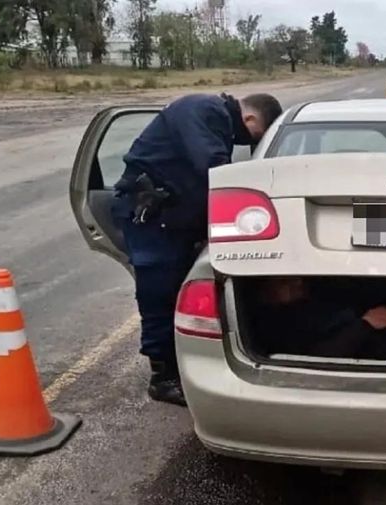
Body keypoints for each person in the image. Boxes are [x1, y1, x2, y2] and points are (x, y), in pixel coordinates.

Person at [112, 92, 283, 406]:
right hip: (152, 219)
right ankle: (162, 378)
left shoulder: (214, 119)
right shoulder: (202, 110)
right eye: (252, 137)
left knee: (178, 293)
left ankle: (177, 363)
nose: (245, 141)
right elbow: (213, 168)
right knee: (159, 293)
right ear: (250, 120)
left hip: (173, 221)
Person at [253, 277, 386, 358]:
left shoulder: (319, 296)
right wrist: (365, 324)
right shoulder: (275, 327)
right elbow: (312, 358)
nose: (298, 282)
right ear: (265, 293)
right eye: (284, 282)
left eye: (297, 278)